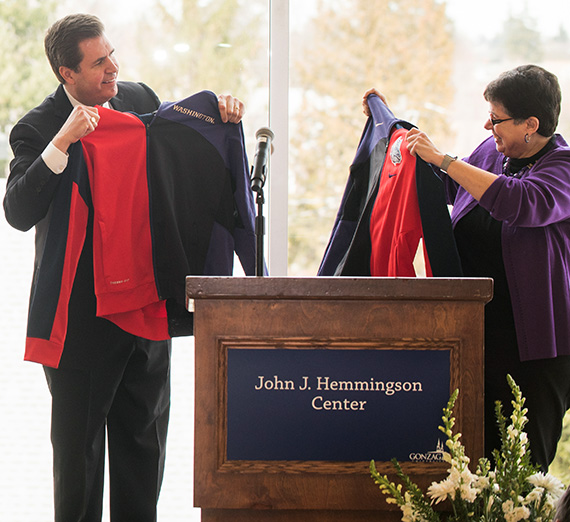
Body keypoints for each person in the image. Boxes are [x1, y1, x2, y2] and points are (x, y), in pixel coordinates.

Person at [3, 13, 244, 522]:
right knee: (79, 462)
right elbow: (18, 212)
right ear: (66, 74)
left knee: (144, 451)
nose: (113, 68)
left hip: (146, 307)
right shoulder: (36, 127)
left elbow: (180, 145)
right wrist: (63, 143)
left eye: (112, 54)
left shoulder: (138, 99)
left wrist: (220, 112)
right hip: (81, 321)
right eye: (98, 63)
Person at [362, 64, 570, 472]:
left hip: (536, 351)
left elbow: (519, 202)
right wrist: (396, 137)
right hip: (474, 336)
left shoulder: (562, 168)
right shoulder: (492, 152)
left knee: (520, 473)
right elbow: (449, 186)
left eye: (496, 118)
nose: (487, 124)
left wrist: (443, 158)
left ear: (531, 124)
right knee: (471, 465)